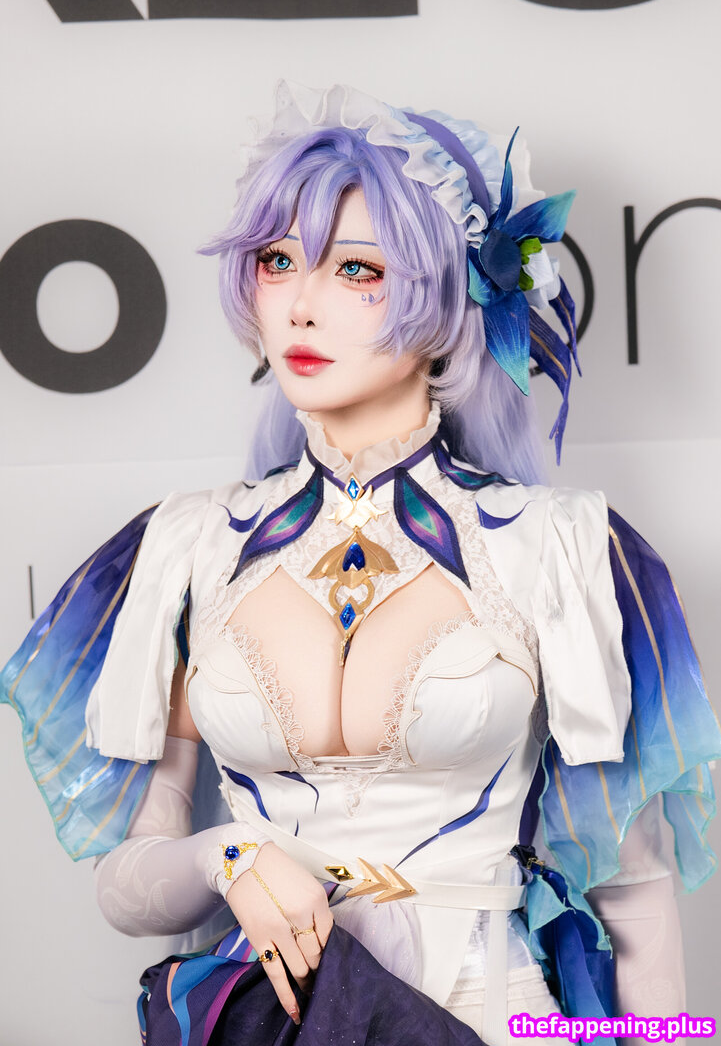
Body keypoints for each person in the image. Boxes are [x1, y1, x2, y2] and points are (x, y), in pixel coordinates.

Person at [2, 82, 719, 1046]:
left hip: (490, 1016)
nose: (299, 305)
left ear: (449, 295)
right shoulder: (188, 548)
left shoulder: (561, 545)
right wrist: (228, 856)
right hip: (271, 1021)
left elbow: (633, 887)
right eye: (277, 261)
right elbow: (129, 887)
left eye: (355, 269)